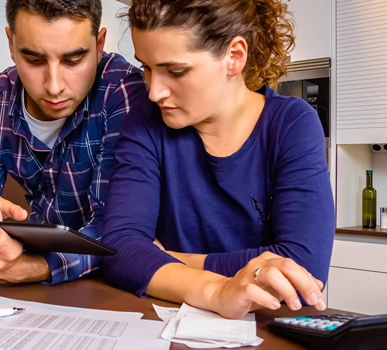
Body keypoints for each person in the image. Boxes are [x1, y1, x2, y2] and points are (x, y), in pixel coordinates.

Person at [102, 0, 335, 319]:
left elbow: (301, 267)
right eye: (147, 67)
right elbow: (119, 248)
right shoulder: (146, 119)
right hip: (166, 319)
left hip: (265, 326)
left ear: (234, 56)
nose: (155, 92)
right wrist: (216, 289)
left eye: (175, 71)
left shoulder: (291, 124)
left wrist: (167, 258)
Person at [0, 0, 150, 285]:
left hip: (109, 279)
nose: (54, 86)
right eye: (34, 59)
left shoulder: (124, 92)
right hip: (38, 274)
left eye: (73, 60)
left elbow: (117, 229)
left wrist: (30, 268)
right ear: (11, 44)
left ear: (99, 44)